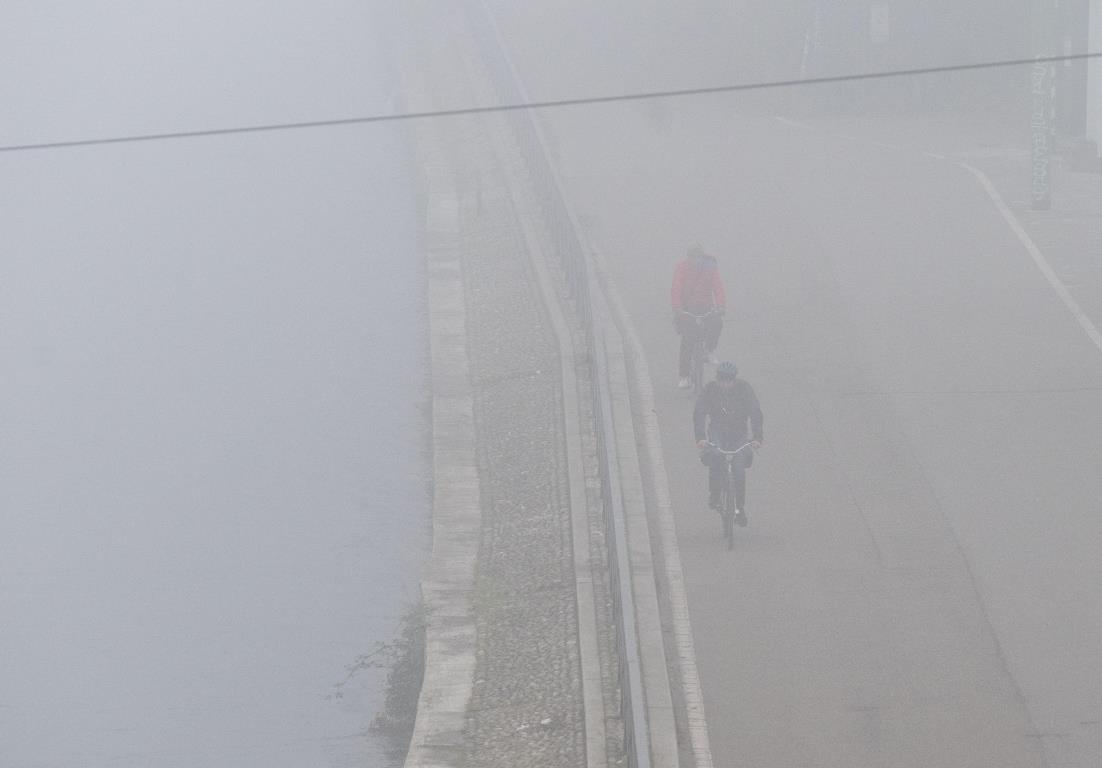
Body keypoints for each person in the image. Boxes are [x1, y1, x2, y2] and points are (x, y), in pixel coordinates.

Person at [693, 361, 763, 526]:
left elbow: (755, 411)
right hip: (717, 431)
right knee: (716, 457)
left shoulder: (745, 389)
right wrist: (701, 437)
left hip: (739, 434)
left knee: (739, 470)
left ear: (734, 379)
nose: (725, 384)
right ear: (717, 379)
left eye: (729, 380)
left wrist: (757, 438)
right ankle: (715, 494)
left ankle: (739, 509)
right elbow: (699, 412)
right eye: (722, 380)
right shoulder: (710, 390)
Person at [671, 244, 726, 388]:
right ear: (688, 258)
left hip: (706, 307)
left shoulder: (710, 268)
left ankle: (709, 350)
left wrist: (721, 306)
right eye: (692, 258)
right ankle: (684, 376)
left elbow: (718, 287)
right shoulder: (682, 268)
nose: (695, 261)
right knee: (687, 340)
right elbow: (676, 287)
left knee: (717, 323)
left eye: (697, 258)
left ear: (702, 258)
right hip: (686, 309)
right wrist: (677, 307)